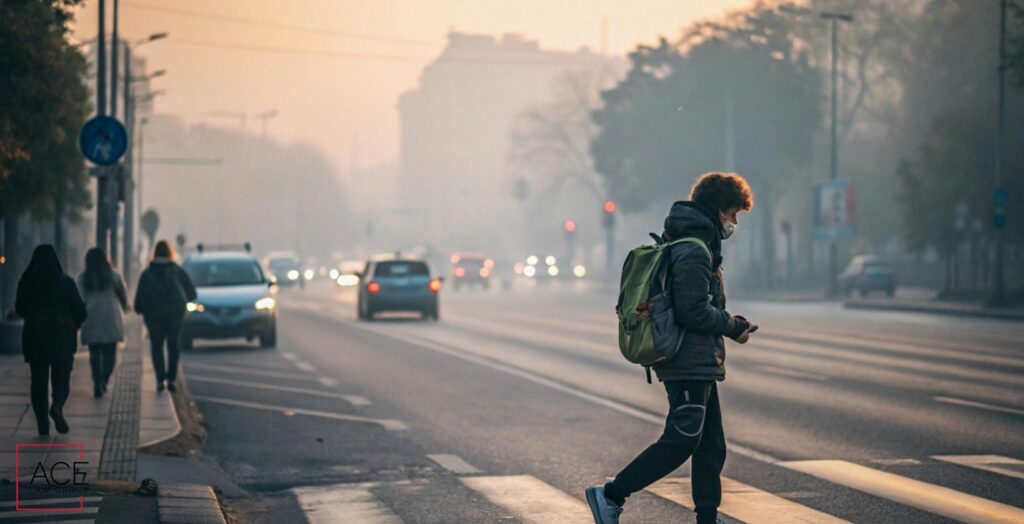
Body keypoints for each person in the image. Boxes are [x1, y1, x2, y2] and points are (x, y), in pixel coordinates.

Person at [586, 172, 758, 524]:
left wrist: (724, 318)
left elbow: (696, 303)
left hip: (697, 359)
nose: (734, 221)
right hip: (687, 359)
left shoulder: (692, 243)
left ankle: (708, 518)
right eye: (732, 212)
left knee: (711, 445)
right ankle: (611, 495)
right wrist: (733, 327)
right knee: (682, 439)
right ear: (716, 208)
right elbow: (692, 310)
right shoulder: (694, 249)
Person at [15, 245, 87, 435]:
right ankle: (57, 405)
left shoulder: (27, 282)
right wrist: (73, 325)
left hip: (35, 338)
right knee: (61, 377)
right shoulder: (66, 283)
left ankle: (42, 423)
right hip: (62, 338)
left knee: (38, 380)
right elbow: (81, 311)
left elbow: (20, 309)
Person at [134, 240, 196, 393]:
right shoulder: (177, 271)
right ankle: (172, 380)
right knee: (173, 346)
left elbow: (138, 302)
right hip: (174, 315)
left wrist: (143, 309)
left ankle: (160, 380)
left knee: (156, 346)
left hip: (153, 315)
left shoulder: (147, 273)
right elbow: (192, 293)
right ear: (170, 253)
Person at [78, 248, 128, 398]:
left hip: (91, 317)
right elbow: (123, 295)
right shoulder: (114, 275)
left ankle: (97, 381)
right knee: (110, 353)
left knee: (94, 353)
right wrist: (124, 308)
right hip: (110, 316)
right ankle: (104, 379)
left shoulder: (83, 277)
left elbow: (79, 298)